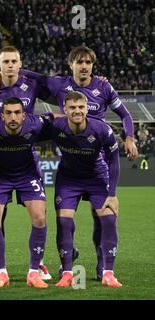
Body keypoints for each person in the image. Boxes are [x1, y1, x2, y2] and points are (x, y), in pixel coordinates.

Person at [0, 45, 136, 280]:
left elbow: (126, 115)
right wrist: (5, 73)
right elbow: (32, 76)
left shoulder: (104, 86)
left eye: (88, 62)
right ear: (71, 65)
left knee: (102, 217)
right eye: (79, 62)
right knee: (65, 220)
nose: (84, 66)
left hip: (97, 161)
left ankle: (103, 266)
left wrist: (129, 137)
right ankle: (66, 265)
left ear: (93, 65)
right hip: (70, 161)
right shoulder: (60, 85)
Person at [0, 46, 53, 281]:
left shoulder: (32, 85)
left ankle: (37, 264)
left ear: (20, 64)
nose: (10, 65)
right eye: (5, 62)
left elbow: (59, 92)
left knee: (40, 217)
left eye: (14, 61)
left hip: (27, 163)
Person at [0, 97, 50, 288]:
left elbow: (57, 119)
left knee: (39, 218)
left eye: (16, 113)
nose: (12, 117)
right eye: (8, 113)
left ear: (23, 115)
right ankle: (1, 272)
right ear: (2, 115)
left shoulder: (35, 124)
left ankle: (34, 272)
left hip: (27, 176)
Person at [47, 91, 122, 288]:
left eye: (81, 107)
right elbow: (33, 126)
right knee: (63, 221)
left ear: (87, 108)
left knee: (109, 219)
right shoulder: (56, 126)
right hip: (68, 179)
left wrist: (112, 195)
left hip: (97, 178)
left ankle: (108, 272)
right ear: (65, 109)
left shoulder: (102, 130)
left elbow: (114, 162)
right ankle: (67, 273)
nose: (77, 111)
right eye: (72, 107)